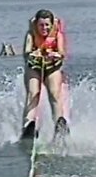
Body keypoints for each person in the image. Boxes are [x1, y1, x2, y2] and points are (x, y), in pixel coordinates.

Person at [21, 9, 70, 140]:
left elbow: (62, 52)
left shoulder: (57, 35)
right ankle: (28, 125)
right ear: (36, 24)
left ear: (51, 25)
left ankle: (59, 124)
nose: (44, 28)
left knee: (54, 93)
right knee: (33, 94)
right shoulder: (31, 34)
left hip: (52, 67)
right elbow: (26, 52)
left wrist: (56, 54)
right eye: (41, 25)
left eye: (47, 25)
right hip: (34, 66)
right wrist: (33, 54)